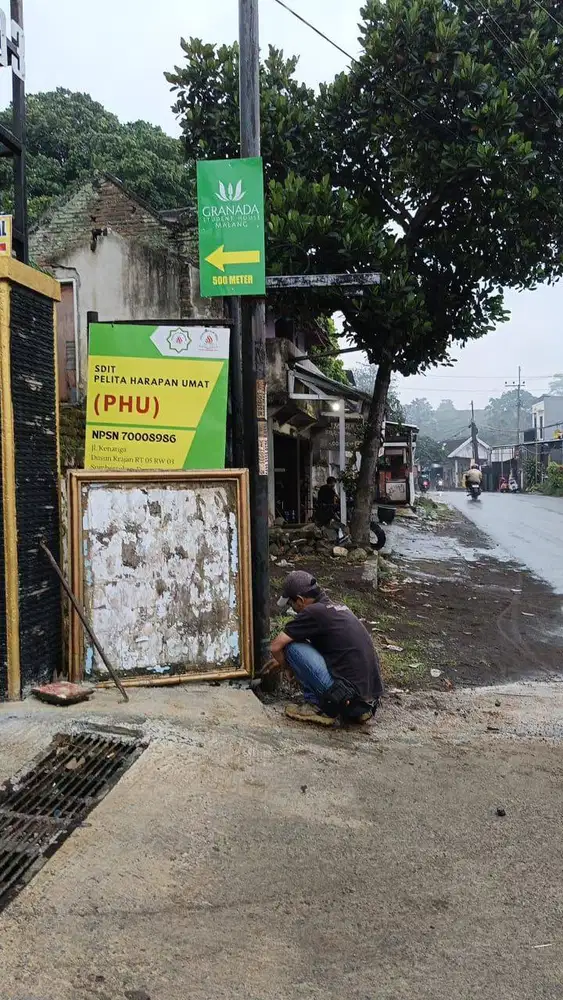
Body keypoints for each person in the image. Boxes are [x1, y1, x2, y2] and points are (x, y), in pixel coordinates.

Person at [269, 570, 384, 727]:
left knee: (291, 647)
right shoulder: (339, 608)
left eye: (291, 604)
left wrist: (286, 667)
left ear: (300, 600)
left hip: (346, 698)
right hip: (368, 702)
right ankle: (359, 712)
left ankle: (317, 706)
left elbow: (275, 646)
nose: (293, 609)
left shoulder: (312, 612)